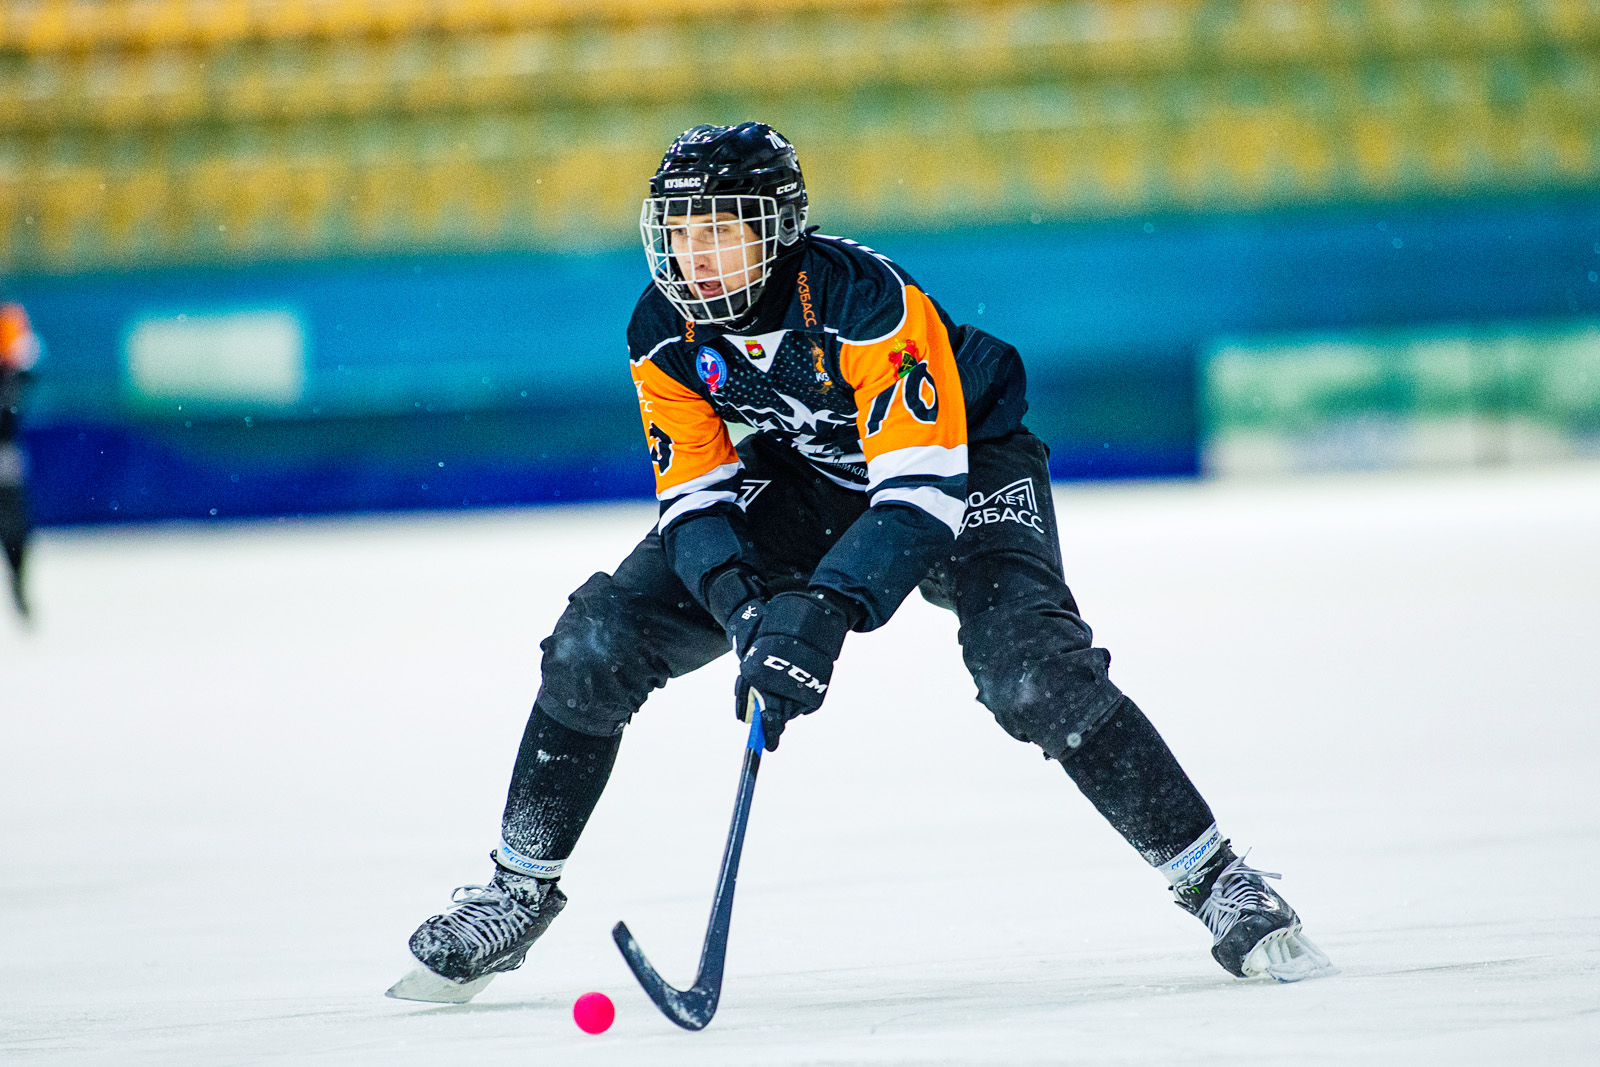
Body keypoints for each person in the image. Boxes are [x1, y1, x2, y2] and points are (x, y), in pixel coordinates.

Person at [390, 123, 1333, 1002]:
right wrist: (744, 608)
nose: (693, 259)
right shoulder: (662, 334)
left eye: (718, 232)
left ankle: (1218, 879)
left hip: (963, 463)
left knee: (1032, 675)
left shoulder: (865, 301)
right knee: (596, 637)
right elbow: (695, 500)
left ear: (780, 229)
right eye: (678, 235)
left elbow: (920, 496)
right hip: (808, 479)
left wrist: (820, 612)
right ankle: (516, 890)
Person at [0, 300, 40, 621]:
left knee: (16, 527)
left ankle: (19, 583)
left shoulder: (10, 326)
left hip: (6, 451)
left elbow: (31, 369)